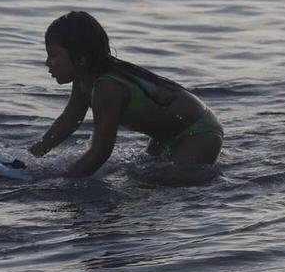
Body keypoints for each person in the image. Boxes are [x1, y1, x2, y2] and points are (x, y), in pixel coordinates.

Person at [28, 10, 221, 177]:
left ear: (80, 60)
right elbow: (70, 119)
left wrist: (61, 181)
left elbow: (101, 152)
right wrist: (32, 157)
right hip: (166, 136)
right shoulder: (84, 79)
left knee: (161, 182)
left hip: (198, 131)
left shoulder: (107, 88)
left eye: (53, 55)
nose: (47, 63)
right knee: (144, 175)